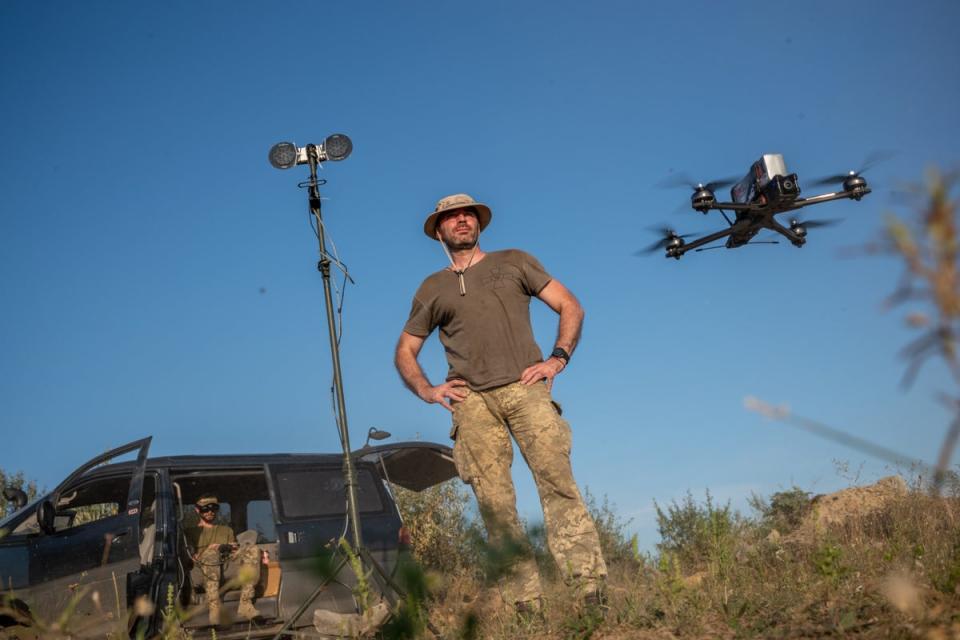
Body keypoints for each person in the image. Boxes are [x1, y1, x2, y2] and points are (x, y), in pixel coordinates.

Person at [394, 193, 607, 613]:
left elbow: (570, 305)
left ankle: (589, 591)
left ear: (478, 223)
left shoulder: (514, 261)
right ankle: (526, 604)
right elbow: (405, 350)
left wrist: (557, 358)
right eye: (451, 217)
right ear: (438, 230)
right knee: (495, 506)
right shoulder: (432, 287)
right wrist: (427, 390)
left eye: (467, 214)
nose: (461, 220)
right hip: (471, 402)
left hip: (525, 388)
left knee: (558, 486)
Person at [184, 494, 260, 625]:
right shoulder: (190, 532)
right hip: (202, 572)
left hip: (226, 568)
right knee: (211, 553)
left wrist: (232, 548)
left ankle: (245, 604)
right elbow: (192, 556)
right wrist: (212, 548)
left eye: (214, 508)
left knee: (252, 549)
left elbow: (234, 551)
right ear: (197, 510)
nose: (210, 512)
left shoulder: (226, 530)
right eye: (205, 509)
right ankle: (214, 608)